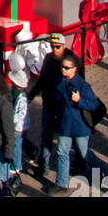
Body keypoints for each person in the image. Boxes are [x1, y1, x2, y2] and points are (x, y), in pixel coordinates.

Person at [29, 33, 83, 177]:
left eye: (57, 47)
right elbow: (42, 80)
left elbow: (80, 83)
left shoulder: (72, 60)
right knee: (46, 135)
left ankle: (79, 165)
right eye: (52, 46)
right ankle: (43, 166)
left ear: (64, 46)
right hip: (49, 104)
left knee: (69, 136)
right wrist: (31, 95)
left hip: (65, 108)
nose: (54, 50)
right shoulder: (48, 59)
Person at [50, 53, 101, 194]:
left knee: (85, 154)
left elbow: (94, 104)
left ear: (74, 69)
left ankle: (99, 174)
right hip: (64, 125)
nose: (63, 70)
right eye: (62, 67)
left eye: (67, 68)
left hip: (80, 127)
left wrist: (80, 101)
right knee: (62, 152)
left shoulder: (83, 86)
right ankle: (61, 183)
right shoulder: (59, 83)